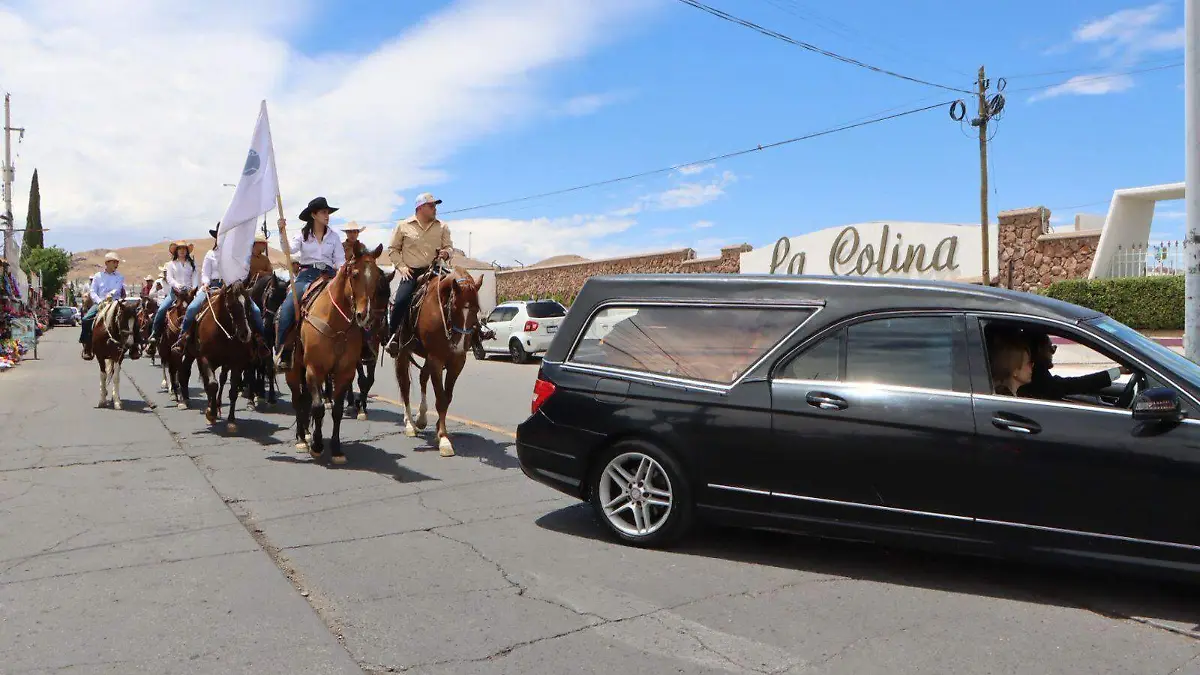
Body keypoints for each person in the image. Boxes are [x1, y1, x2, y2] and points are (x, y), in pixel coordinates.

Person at [274, 197, 345, 369]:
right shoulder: (302, 235)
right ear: (313, 215)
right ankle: (283, 351)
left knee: (350, 302)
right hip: (307, 275)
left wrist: (342, 274)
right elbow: (288, 250)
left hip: (329, 275)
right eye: (323, 212)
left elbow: (340, 260)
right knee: (289, 306)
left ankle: (362, 347)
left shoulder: (334, 237)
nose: (327, 215)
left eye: (327, 212)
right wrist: (281, 231)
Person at [172, 224, 266, 353]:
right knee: (192, 308)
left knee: (255, 310)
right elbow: (205, 273)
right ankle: (182, 339)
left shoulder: (235, 255)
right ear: (216, 237)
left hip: (232, 287)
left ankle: (260, 341)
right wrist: (205, 284)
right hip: (212, 286)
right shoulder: (210, 254)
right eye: (221, 235)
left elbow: (241, 271)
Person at [386, 192, 453, 356]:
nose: (435, 208)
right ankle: (393, 336)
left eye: (435, 206)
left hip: (436, 271)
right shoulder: (403, 226)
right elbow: (393, 250)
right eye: (431, 206)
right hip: (412, 272)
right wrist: (401, 267)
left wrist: (446, 253)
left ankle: (472, 334)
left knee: (460, 291)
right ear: (420, 207)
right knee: (401, 300)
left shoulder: (442, 226)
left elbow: (450, 247)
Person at [1018, 332, 1125, 401]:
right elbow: (1070, 385)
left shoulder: (1037, 374)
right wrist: (1117, 372)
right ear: (1039, 350)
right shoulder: (1036, 375)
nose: (1053, 351)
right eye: (1050, 347)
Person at [147, 241, 196, 353]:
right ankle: (155, 333)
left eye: (184, 249)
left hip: (189, 293)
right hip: (175, 293)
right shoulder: (171, 264)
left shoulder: (191, 264)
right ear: (176, 251)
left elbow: (195, 277)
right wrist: (178, 286)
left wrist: (193, 288)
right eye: (180, 249)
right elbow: (170, 279)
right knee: (161, 309)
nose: (182, 251)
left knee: (199, 310)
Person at [80, 252, 127, 360]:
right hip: (100, 303)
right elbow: (92, 291)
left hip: (115, 303)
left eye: (117, 262)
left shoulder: (120, 277)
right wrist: (100, 301)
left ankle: (134, 346)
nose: (116, 264)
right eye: (114, 262)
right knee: (86, 319)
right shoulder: (97, 276)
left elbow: (118, 289)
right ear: (107, 263)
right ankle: (87, 346)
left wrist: (111, 294)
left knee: (131, 316)